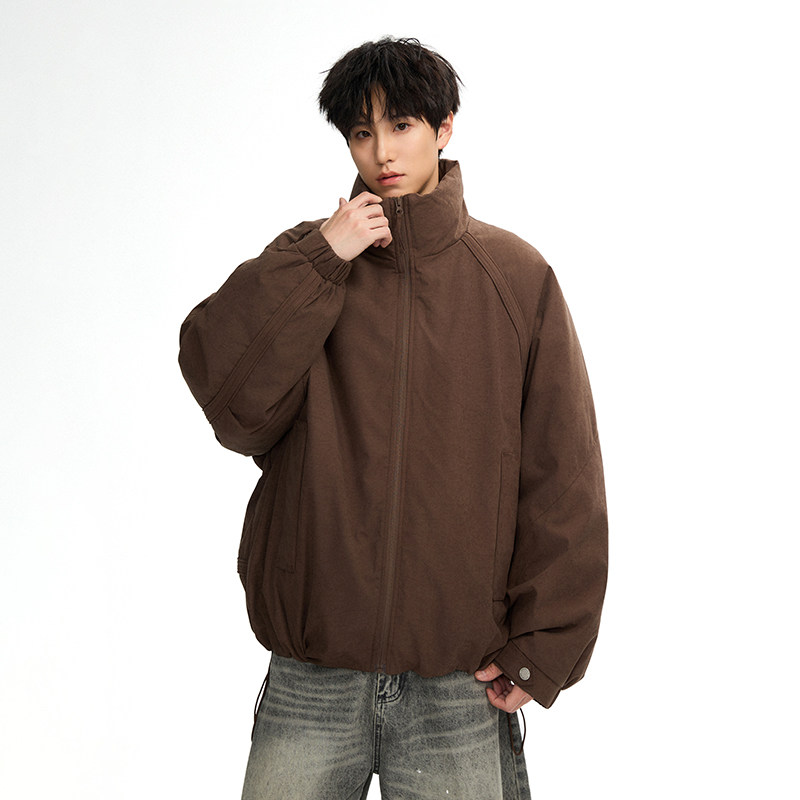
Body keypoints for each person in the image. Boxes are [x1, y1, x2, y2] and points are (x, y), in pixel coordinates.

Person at [178, 36, 608, 800]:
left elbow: (563, 473)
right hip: (313, 679)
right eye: (361, 131)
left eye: (401, 125)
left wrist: (543, 649)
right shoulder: (310, 264)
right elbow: (232, 406)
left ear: (444, 128)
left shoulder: (515, 279)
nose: (381, 151)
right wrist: (323, 256)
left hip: (458, 685)